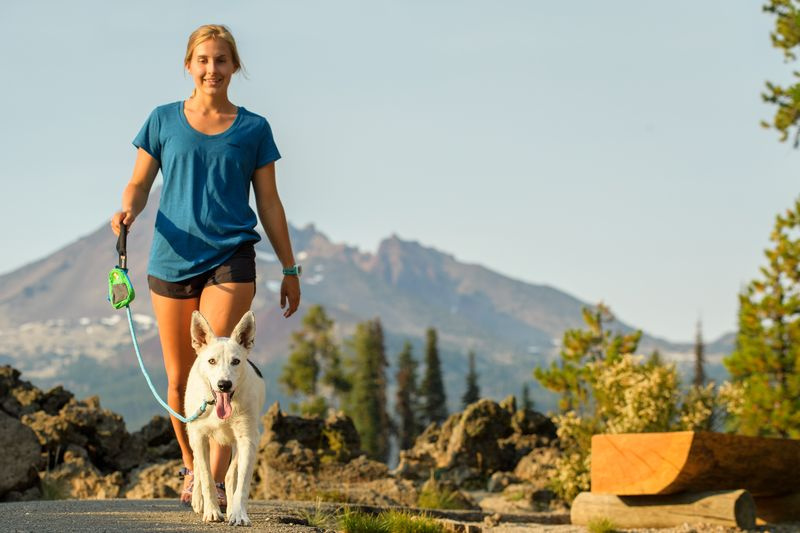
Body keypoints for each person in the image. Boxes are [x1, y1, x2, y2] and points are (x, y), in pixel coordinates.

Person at [110, 24, 301, 507]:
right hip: (170, 258)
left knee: (223, 364)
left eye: (221, 60)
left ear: (234, 66)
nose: (211, 69)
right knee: (181, 377)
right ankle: (193, 466)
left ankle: (216, 483)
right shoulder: (162, 120)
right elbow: (138, 183)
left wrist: (291, 268)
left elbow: (271, 203)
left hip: (231, 256)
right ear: (189, 65)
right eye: (203, 60)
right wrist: (127, 208)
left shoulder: (254, 129)